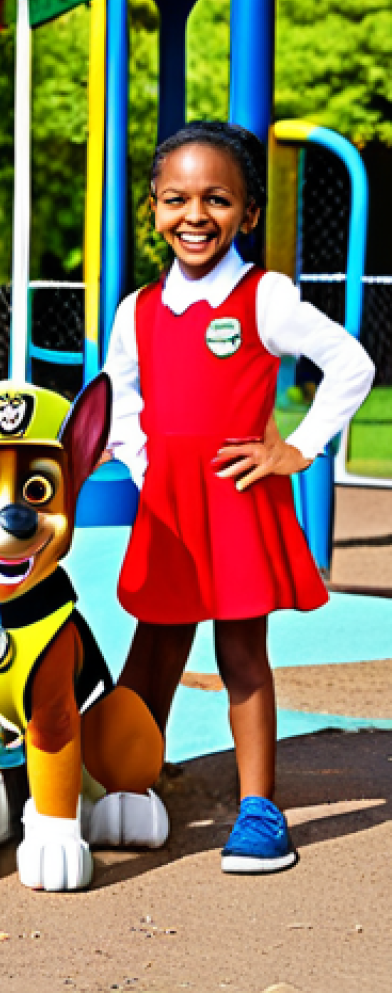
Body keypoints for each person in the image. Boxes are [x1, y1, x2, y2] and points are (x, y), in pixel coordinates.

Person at [102, 121, 374, 875]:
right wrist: (143, 462)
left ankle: (260, 811)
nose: (195, 216)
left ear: (248, 213)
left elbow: (350, 365)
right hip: (168, 505)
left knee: (240, 652)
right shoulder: (138, 310)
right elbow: (120, 396)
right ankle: (129, 785)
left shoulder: (266, 297)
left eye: (217, 200)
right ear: (153, 208)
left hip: (232, 499)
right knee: (152, 643)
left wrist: (298, 448)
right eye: (176, 199)